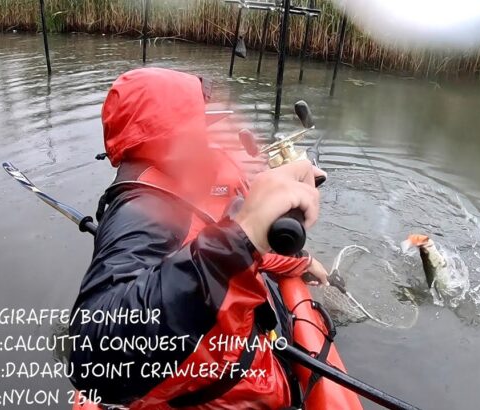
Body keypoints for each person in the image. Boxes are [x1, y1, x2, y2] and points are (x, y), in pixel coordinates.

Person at [69, 67, 328, 409]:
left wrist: (297, 259)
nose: (209, 128)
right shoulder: (141, 210)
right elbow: (93, 354)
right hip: (222, 395)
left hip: (244, 362)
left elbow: (226, 241)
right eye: (197, 118)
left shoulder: (182, 182)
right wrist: (241, 237)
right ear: (169, 130)